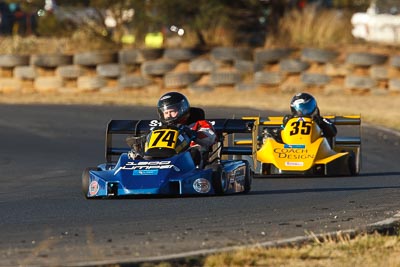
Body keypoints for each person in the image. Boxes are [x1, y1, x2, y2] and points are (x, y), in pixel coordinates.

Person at [129, 92, 217, 168]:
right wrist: (141, 142)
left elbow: (210, 138)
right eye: (166, 113)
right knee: (134, 155)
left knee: (193, 153)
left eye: (172, 111)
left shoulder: (199, 124)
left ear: (182, 109)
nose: (169, 115)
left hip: (188, 158)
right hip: (162, 158)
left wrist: (193, 134)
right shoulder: (159, 129)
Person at [267, 92, 337, 142]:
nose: (304, 111)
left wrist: (321, 122)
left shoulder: (320, 120)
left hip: (315, 147)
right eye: (302, 108)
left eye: (307, 108)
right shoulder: (289, 120)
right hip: (291, 148)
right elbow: (282, 132)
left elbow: (333, 132)